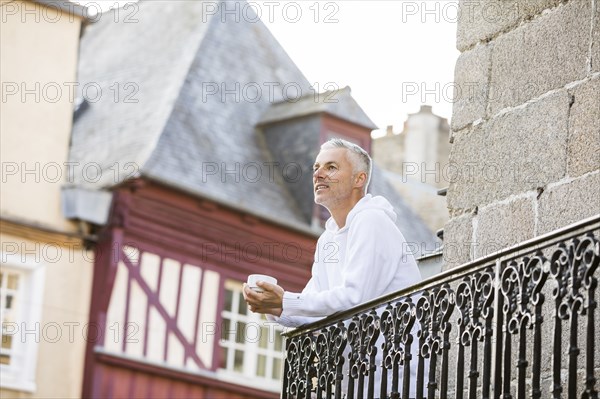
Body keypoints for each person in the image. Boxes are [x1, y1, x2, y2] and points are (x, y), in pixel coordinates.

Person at [243, 138, 423, 397]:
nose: (317, 174)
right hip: (354, 378)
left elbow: (354, 298)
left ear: (359, 179)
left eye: (331, 167)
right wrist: (275, 306)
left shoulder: (371, 220)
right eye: (316, 167)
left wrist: (287, 301)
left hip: (393, 375)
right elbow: (312, 306)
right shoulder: (327, 239)